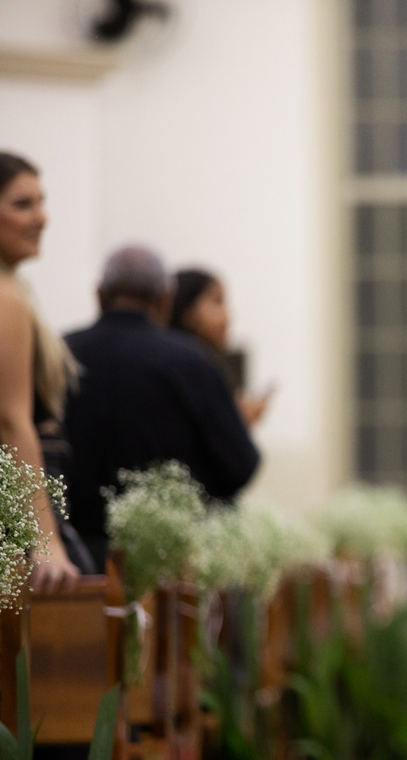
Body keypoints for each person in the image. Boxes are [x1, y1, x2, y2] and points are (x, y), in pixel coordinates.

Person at [63, 246, 261, 569]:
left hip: (74, 563)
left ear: (99, 295)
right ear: (164, 299)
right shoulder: (189, 362)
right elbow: (240, 467)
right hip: (170, 566)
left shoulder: (62, 355)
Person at [0, 152, 83, 588]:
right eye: (22, 204)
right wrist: (45, 538)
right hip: (16, 512)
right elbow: (11, 421)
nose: (41, 217)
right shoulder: (6, 297)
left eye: (41, 201)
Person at [168, 266, 272, 426]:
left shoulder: (207, 369)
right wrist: (237, 421)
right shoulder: (182, 374)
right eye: (217, 301)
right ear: (187, 312)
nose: (228, 316)